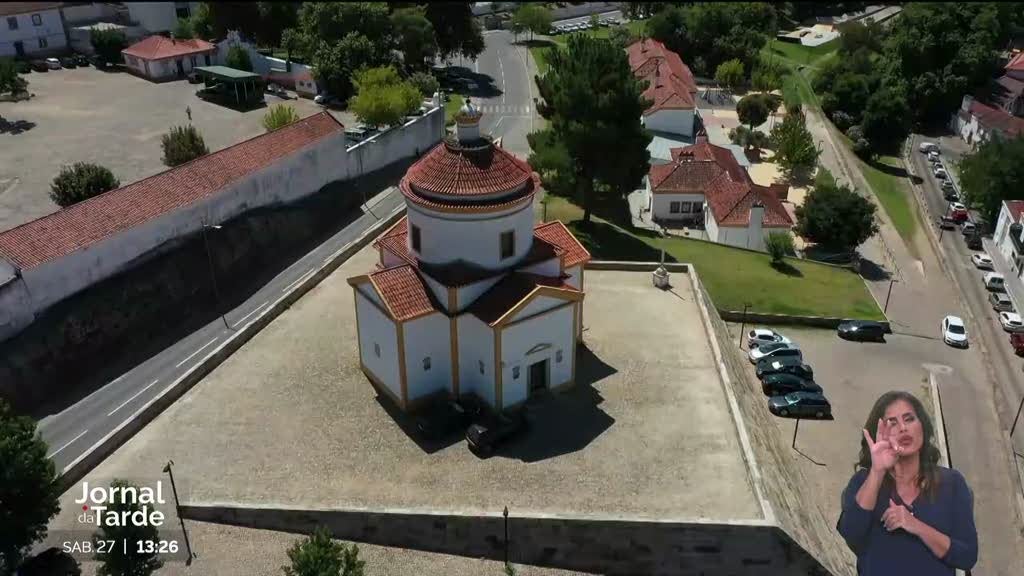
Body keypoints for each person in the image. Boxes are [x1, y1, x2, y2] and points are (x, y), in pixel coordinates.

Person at [838, 391, 978, 575]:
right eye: (892, 423)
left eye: (909, 419)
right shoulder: (864, 482)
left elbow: (967, 556)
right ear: (879, 434)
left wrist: (915, 525)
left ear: (923, 426)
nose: (903, 428)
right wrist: (877, 471)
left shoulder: (952, 483)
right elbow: (851, 533)